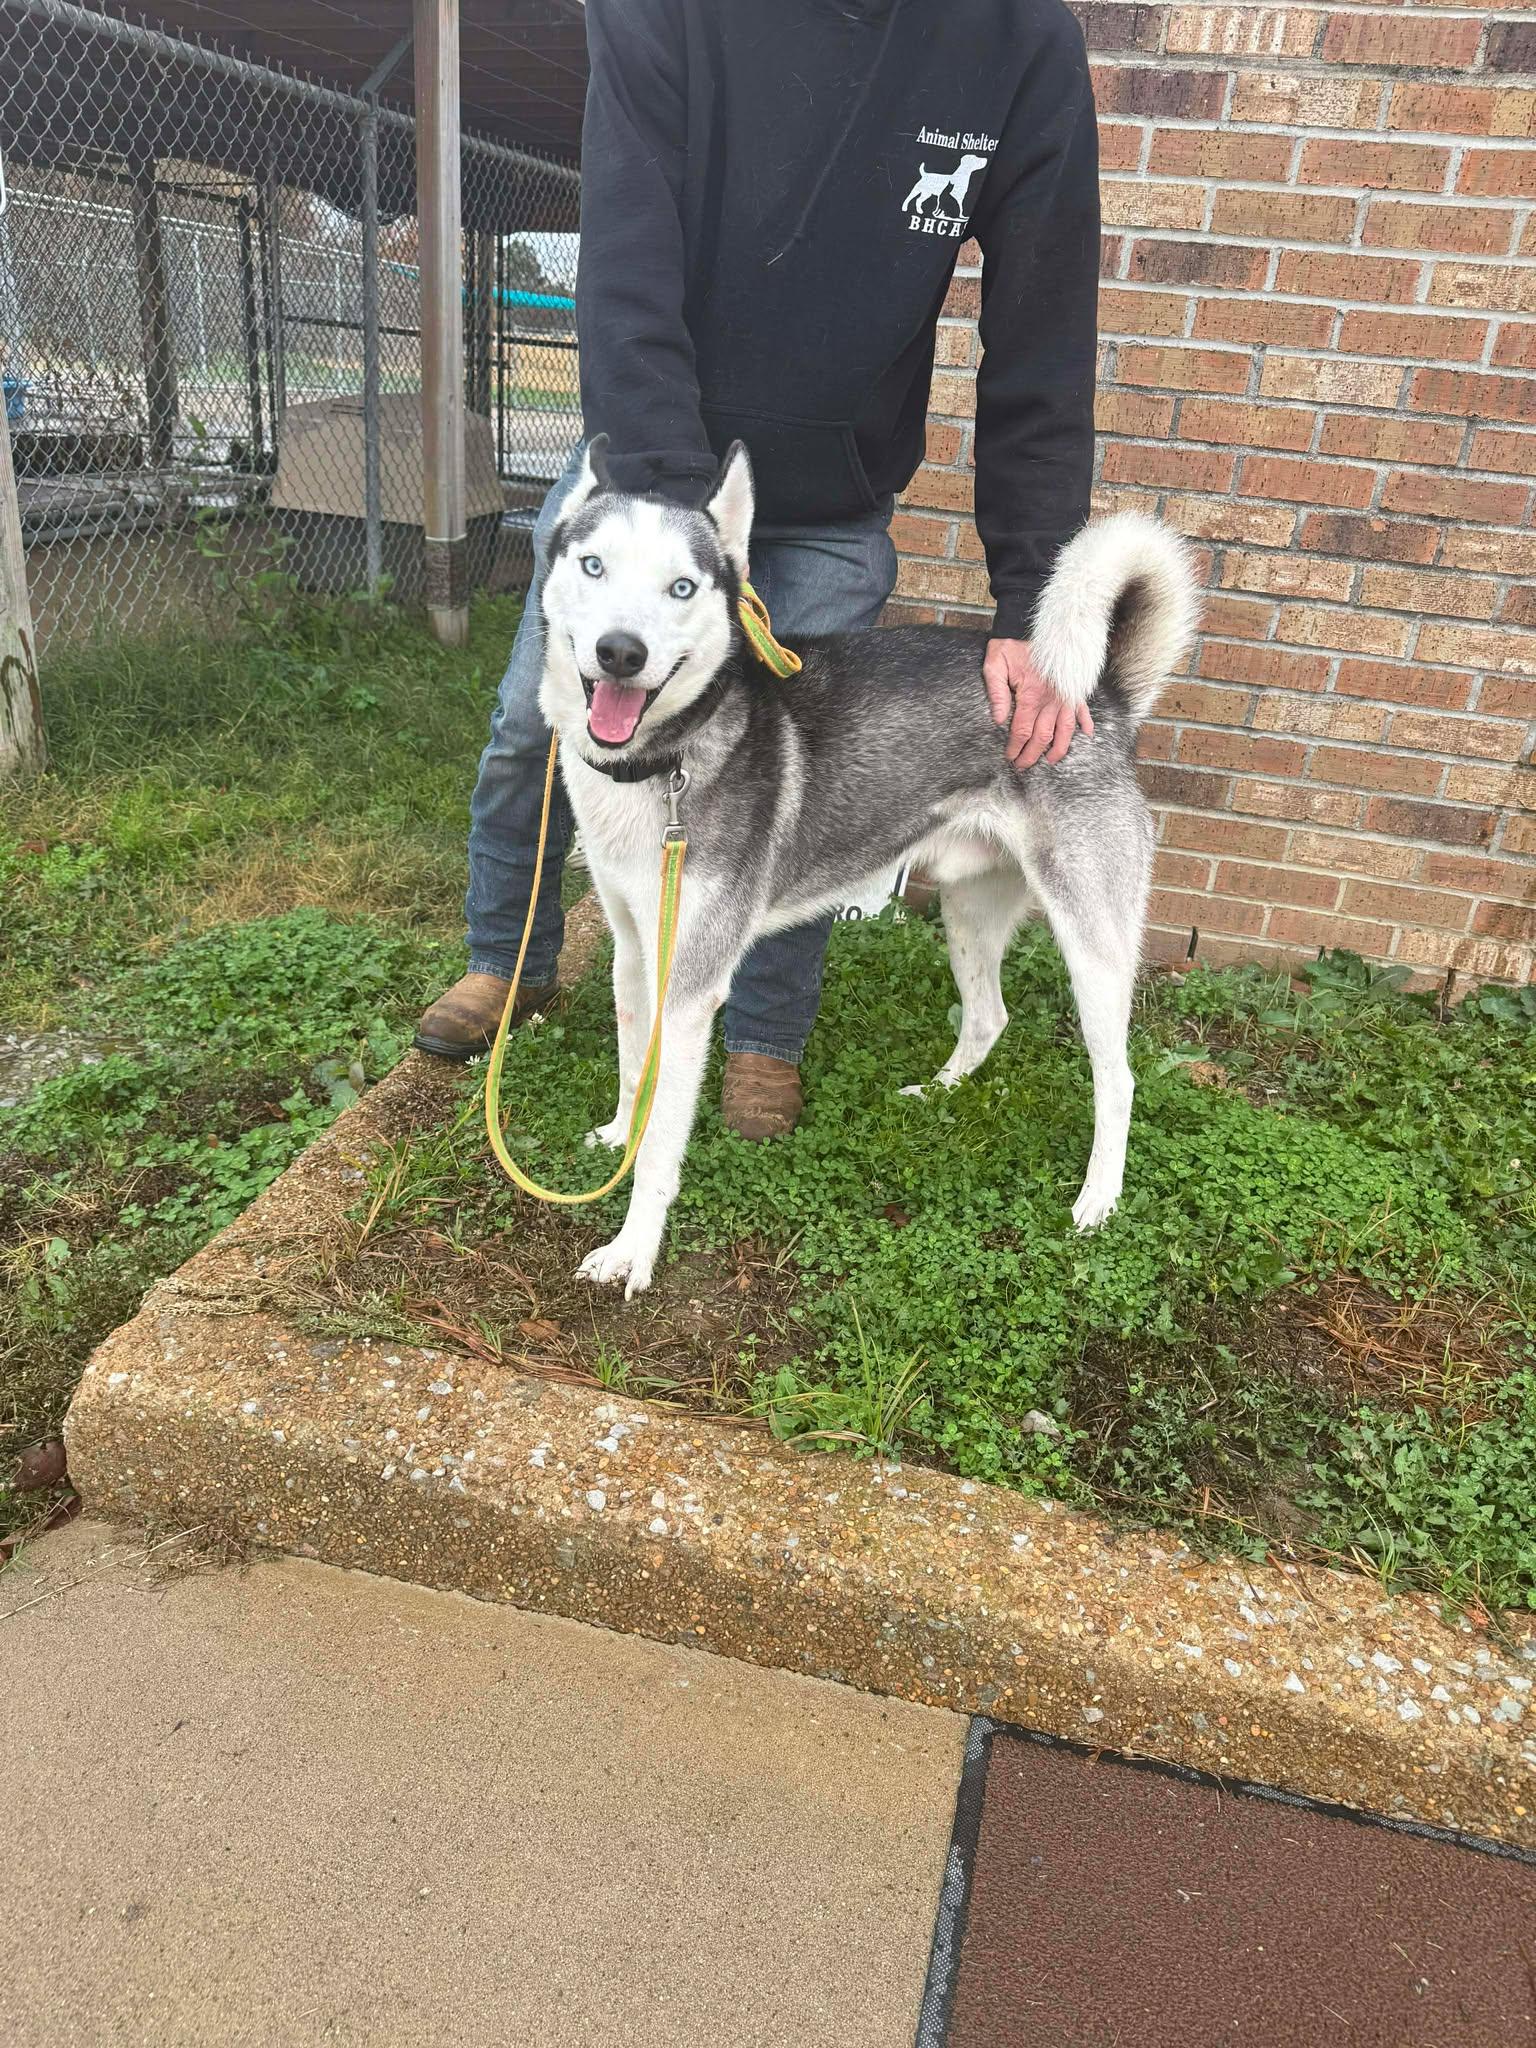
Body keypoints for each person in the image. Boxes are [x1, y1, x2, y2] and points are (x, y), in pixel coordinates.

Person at [415, 0, 1100, 1140]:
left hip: (830, 503)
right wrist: (672, 519)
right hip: (651, 480)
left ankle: (759, 1040)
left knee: (799, 778)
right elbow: (627, 251)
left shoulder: (1019, 39)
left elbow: (1042, 330)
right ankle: (512, 959)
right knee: (545, 730)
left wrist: (1035, 601)